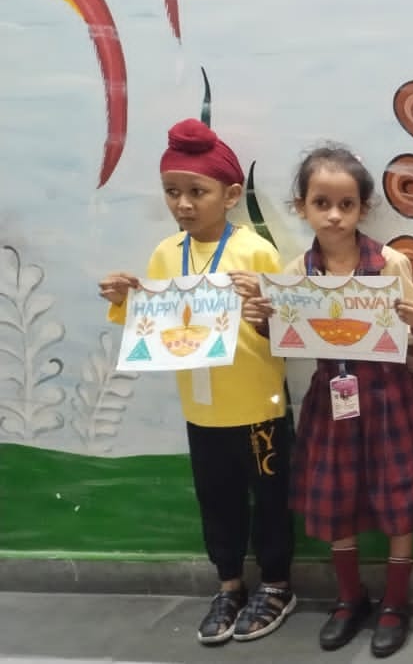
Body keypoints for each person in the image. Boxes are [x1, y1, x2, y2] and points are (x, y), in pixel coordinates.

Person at [241, 145, 413, 659]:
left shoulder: (390, 262)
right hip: (331, 400)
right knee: (337, 499)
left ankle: (395, 602)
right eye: (322, 203)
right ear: (301, 207)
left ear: (363, 208)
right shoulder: (296, 272)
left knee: (399, 501)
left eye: (346, 204)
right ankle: (350, 598)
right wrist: (262, 320)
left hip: (390, 397)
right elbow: (285, 338)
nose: (334, 215)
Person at [99, 119, 296, 645]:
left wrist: (265, 312)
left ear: (230, 195)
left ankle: (277, 584)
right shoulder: (166, 254)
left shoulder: (255, 251)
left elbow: (286, 327)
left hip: (259, 404)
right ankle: (229, 585)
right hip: (201, 406)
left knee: (271, 496)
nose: (183, 204)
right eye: (172, 192)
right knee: (216, 497)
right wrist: (126, 299)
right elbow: (160, 324)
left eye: (196, 192)